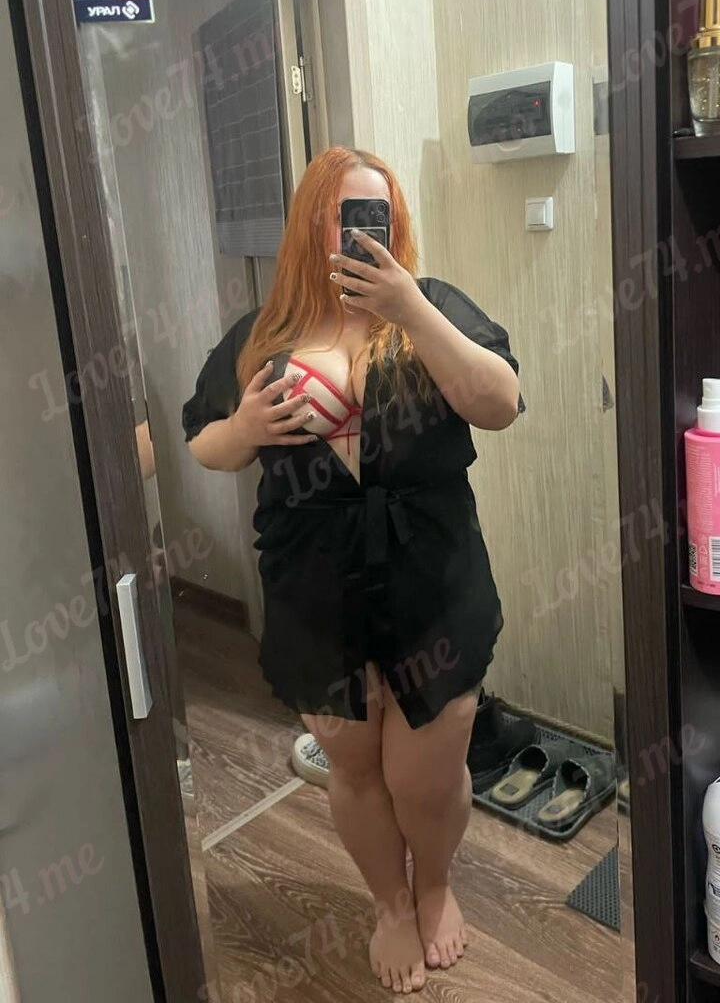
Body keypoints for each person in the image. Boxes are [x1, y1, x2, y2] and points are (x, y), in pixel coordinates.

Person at [182, 147, 522, 994]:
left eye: (376, 214)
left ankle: (434, 886)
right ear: (311, 224)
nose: (359, 231)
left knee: (425, 778)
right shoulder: (262, 334)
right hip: (315, 591)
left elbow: (501, 403)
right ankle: (390, 905)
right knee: (356, 770)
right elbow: (204, 443)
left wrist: (410, 307)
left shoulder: (431, 306)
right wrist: (246, 428)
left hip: (433, 583)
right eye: (341, 213)